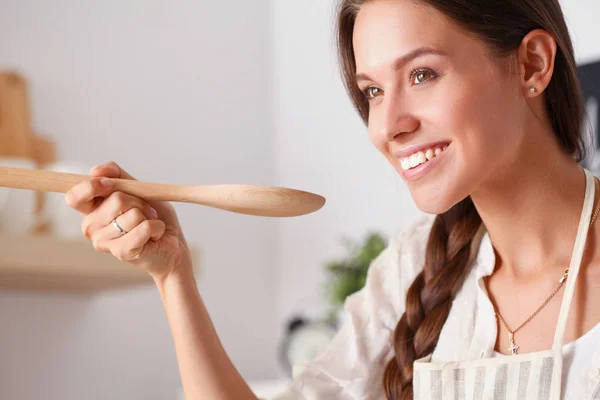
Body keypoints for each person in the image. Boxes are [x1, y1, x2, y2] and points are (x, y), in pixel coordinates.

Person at [64, 0, 600, 399]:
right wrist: (171, 273)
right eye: (373, 91)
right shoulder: (415, 270)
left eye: (422, 74)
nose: (387, 126)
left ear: (531, 64)